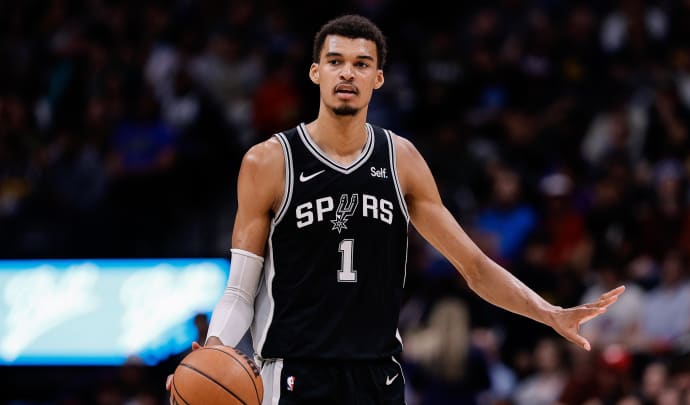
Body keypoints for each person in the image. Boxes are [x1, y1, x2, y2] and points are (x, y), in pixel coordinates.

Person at [166, 14, 625, 404]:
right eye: (336, 62)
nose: (348, 73)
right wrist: (213, 351)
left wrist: (549, 312)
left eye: (361, 64)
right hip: (293, 372)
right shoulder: (268, 161)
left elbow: (474, 266)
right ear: (315, 73)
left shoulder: (401, 160)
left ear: (378, 78)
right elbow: (241, 291)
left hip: (378, 375)